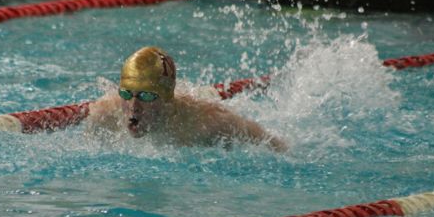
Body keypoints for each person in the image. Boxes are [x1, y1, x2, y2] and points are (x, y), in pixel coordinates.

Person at [87, 46, 287, 152]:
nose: (134, 107)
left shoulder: (207, 123)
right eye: (126, 94)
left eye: (146, 96)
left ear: (166, 98)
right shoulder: (103, 116)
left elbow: (273, 146)